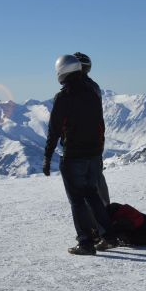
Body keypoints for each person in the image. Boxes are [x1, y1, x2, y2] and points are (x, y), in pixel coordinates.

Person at [43, 54, 119, 255]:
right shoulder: (93, 92)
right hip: (93, 153)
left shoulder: (64, 97)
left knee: (77, 200)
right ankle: (108, 236)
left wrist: (47, 156)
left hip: (73, 155)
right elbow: (99, 123)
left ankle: (85, 242)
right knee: (93, 195)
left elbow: (54, 129)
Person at [73, 51, 111, 210]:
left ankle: (97, 221)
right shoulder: (93, 86)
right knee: (96, 178)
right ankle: (105, 215)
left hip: (81, 142)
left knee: (86, 181)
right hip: (96, 139)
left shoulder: (78, 89)